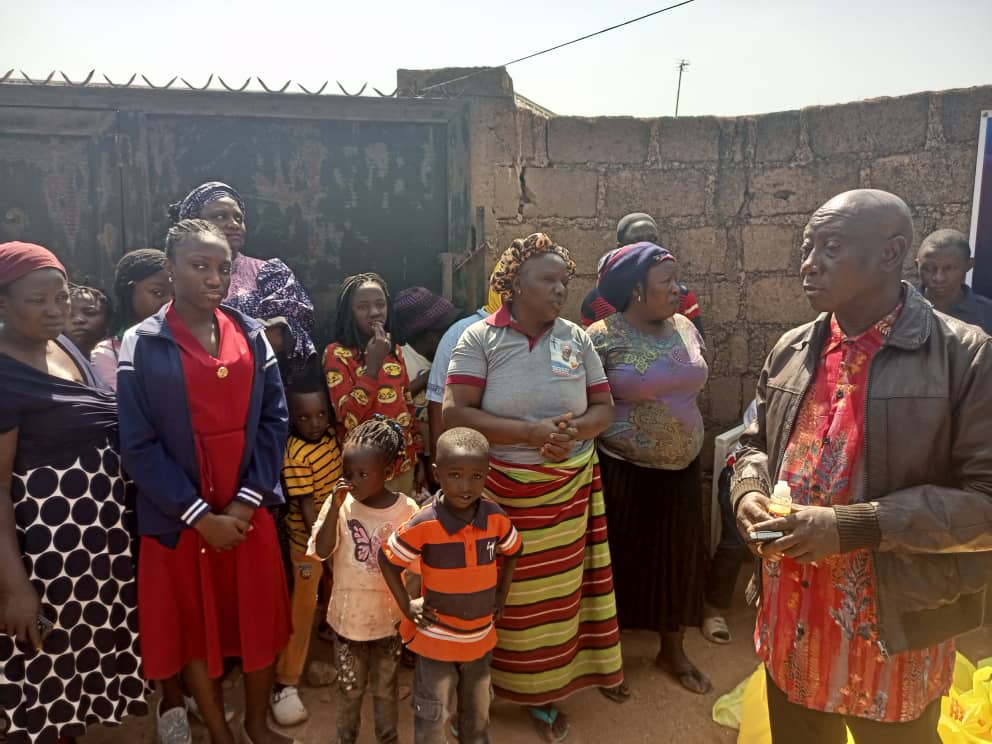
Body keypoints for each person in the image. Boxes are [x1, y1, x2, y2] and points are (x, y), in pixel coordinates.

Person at [733, 189, 992, 743]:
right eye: (807, 247)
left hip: (894, 637)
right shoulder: (791, 350)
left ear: (890, 253)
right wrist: (748, 490)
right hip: (791, 625)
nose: (809, 263)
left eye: (831, 247)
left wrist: (851, 526)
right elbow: (752, 445)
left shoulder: (966, 356)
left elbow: (986, 504)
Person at [117, 219, 295, 744]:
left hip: (245, 508)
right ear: (170, 267)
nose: (214, 278)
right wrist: (199, 515)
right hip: (177, 514)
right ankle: (220, 732)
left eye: (222, 267)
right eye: (199, 266)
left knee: (259, 619)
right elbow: (137, 443)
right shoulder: (141, 342)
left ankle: (256, 724)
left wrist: (243, 504)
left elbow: (274, 421)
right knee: (194, 627)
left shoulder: (252, 334)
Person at [443, 232, 624, 742]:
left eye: (565, 281)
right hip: (498, 493)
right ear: (516, 283)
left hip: (565, 494)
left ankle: (542, 694)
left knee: (552, 599)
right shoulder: (479, 339)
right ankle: (476, 694)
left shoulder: (577, 339)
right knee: (491, 595)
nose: (561, 289)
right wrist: (529, 434)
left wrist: (571, 433)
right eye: (548, 280)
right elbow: (455, 414)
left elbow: (604, 409)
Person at [0, 242, 147, 744]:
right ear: (3, 303)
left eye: (60, 297)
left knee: (75, 662)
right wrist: (15, 588)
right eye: (36, 300)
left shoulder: (62, 345)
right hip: (40, 554)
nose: (54, 309)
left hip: (93, 547)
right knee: (37, 670)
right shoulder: (4, 372)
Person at [586, 241, 712, 694]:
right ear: (637, 289)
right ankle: (608, 657)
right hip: (623, 469)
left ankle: (672, 648)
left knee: (678, 558)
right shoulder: (599, 337)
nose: (679, 289)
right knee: (621, 562)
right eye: (667, 281)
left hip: (682, 466)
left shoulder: (684, 326)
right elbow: (583, 404)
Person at [379, 427, 522, 744]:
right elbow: (387, 559)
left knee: (477, 715)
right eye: (455, 475)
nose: (466, 486)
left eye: (476, 476)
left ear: (487, 475)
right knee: (432, 718)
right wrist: (407, 604)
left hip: (479, 640)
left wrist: (502, 595)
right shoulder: (425, 523)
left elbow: (513, 549)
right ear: (436, 473)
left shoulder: (495, 518)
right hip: (436, 643)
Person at [308, 417, 418, 744]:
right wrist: (334, 508)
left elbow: (417, 566)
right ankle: (346, 738)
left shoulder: (406, 510)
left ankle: (388, 737)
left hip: (389, 621)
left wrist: (409, 609)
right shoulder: (340, 506)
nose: (352, 481)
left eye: (362, 474)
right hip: (348, 622)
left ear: (389, 472)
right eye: (347, 473)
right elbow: (322, 551)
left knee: (385, 688)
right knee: (350, 688)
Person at [169, 181, 316, 371]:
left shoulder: (270, 273)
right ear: (194, 225)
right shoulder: (173, 276)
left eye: (238, 218)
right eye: (220, 216)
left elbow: (280, 336)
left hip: (260, 378)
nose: (233, 224)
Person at [269, 358, 343, 726]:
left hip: (334, 535)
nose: (314, 423)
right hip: (309, 545)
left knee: (335, 592)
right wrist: (323, 546)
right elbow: (307, 508)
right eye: (304, 417)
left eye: (320, 415)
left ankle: (332, 643)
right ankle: (285, 681)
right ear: (291, 418)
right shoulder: (295, 454)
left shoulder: (330, 438)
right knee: (302, 607)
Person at [324, 273, 423, 495]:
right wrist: (373, 365)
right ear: (349, 313)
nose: (375, 312)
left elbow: (407, 405)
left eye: (380, 304)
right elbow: (347, 418)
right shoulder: (336, 354)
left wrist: (417, 455)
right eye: (363, 307)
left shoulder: (394, 349)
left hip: (403, 464)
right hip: (365, 472)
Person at [580, 212, 703, 337]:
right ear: (620, 248)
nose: (647, 247)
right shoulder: (596, 302)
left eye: (652, 240)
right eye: (637, 242)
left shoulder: (681, 297)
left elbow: (695, 345)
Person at [392, 286, 461, 493]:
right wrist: (434, 374)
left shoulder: (450, 358)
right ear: (430, 336)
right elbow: (397, 398)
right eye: (445, 332)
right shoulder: (399, 358)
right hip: (414, 454)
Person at [425, 284, 502, 467]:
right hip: (469, 460)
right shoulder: (462, 332)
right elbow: (438, 400)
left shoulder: (549, 335)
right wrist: (437, 460)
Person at [90, 249, 172, 391]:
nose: (169, 302)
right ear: (129, 292)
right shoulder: (109, 354)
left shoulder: (189, 342)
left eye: (176, 294)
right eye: (157, 293)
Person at [916, 228, 992, 333]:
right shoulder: (900, 306)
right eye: (928, 268)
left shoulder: (987, 314)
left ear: (968, 266)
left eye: (949, 268)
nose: (938, 278)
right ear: (917, 266)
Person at [66, 283, 111, 359]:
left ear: (107, 318)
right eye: (69, 314)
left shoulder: (122, 354)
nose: (78, 320)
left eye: (90, 313)